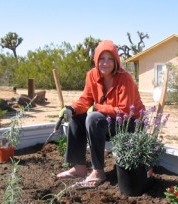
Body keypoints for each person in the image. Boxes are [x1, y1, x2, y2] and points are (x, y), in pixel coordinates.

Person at [57, 40, 145, 188]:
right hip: (108, 122)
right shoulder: (92, 75)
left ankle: (98, 171)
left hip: (129, 125)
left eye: (110, 59)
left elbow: (124, 112)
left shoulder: (125, 79)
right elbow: (85, 99)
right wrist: (71, 109)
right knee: (77, 118)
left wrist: (98, 107)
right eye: (102, 59)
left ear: (116, 61)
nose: (106, 63)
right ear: (96, 60)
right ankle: (79, 167)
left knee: (94, 118)